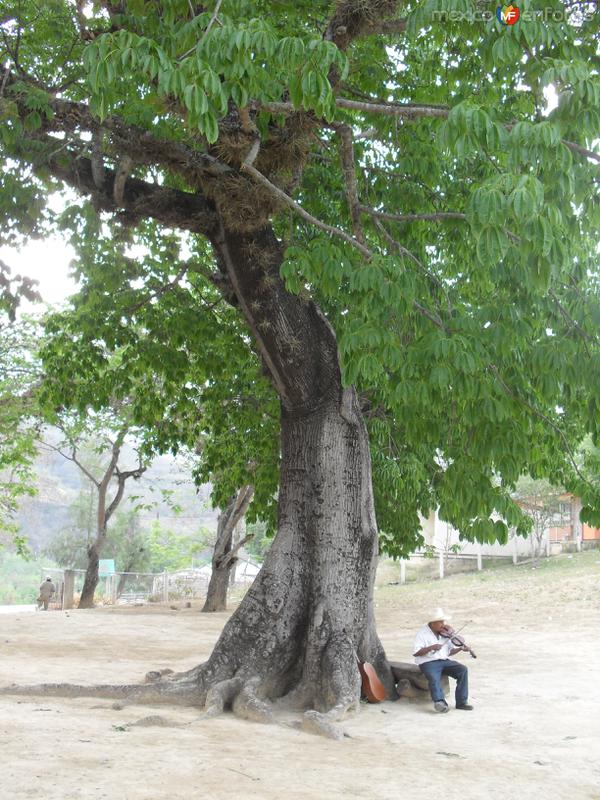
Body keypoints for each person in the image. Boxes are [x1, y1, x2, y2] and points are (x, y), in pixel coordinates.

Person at [413, 608, 474, 713]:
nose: (443, 625)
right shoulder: (422, 634)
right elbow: (416, 652)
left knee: (462, 670)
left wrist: (460, 648)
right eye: (440, 622)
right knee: (434, 677)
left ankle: (461, 702)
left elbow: (448, 652)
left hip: (444, 661)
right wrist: (431, 647)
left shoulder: (445, 633)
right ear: (432, 623)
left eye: (443, 621)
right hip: (428, 662)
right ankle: (439, 702)